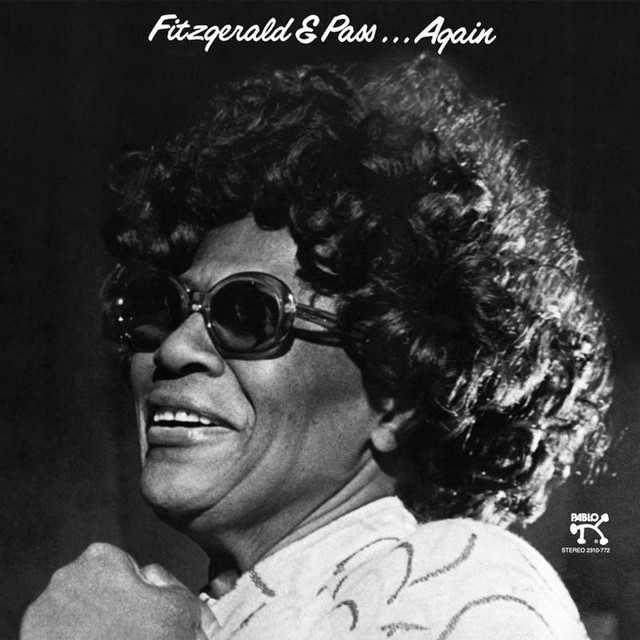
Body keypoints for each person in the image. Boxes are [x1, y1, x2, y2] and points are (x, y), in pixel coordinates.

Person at [21, 55, 612, 639]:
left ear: (397, 395)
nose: (174, 348)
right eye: (163, 309)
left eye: (248, 314)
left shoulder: (460, 575)